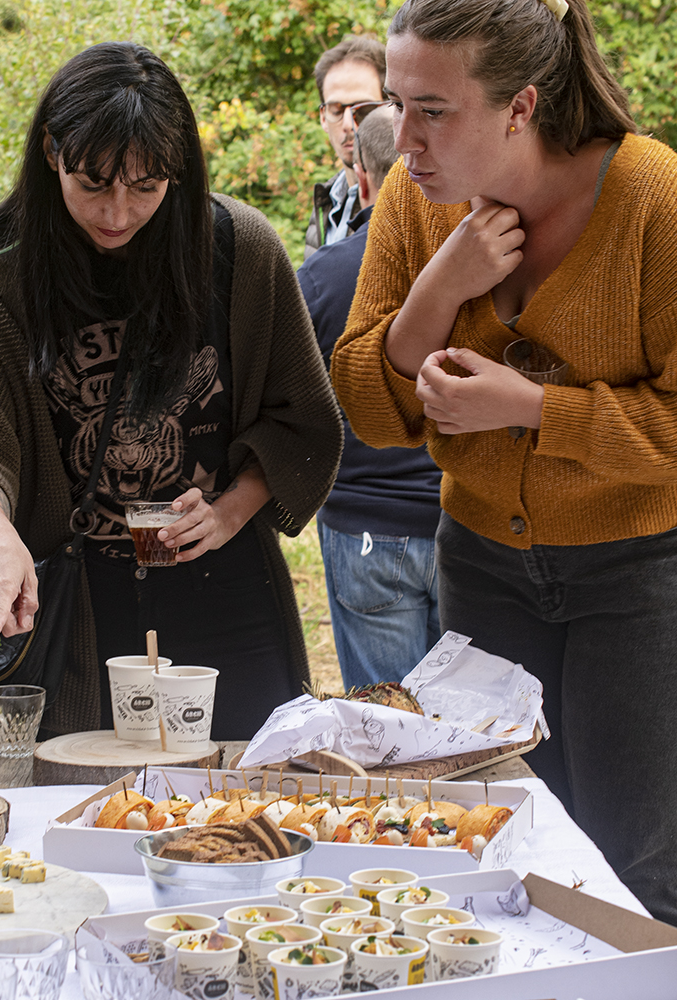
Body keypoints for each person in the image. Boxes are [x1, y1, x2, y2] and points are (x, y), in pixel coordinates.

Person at [332, 0, 677, 923]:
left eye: (433, 111)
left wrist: (530, 408)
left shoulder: (654, 201)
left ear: (521, 106)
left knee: (632, 865)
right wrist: (440, 287)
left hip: (639, 576)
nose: (402, 139)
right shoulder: (414, 199)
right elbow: (368, 408)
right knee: (500, 842)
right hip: (478, 563)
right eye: (398, 104)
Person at [0, 42, 342, 743]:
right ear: (50, 152)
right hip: (73, 603)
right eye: (93, 183)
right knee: (79, 810)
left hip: (224, 596)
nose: (118, 213)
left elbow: (304, 419)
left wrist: (228, 510)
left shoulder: (240, 249)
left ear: (178, 171)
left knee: (244, 800)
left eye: (146, 186)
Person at [298, 106, 441, 691]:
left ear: (362, 180)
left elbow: (297, 403)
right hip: (461, 520)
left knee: (386, 730)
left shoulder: (322, 275)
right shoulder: (490, 260)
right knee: (472, 724)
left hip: (362, 524)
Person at [304, 35, 387, 259]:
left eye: (363, 109)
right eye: (337, 110)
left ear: (390, 108)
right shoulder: (326, 199)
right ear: (323, 117)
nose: (349, 125)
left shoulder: (409, 202)